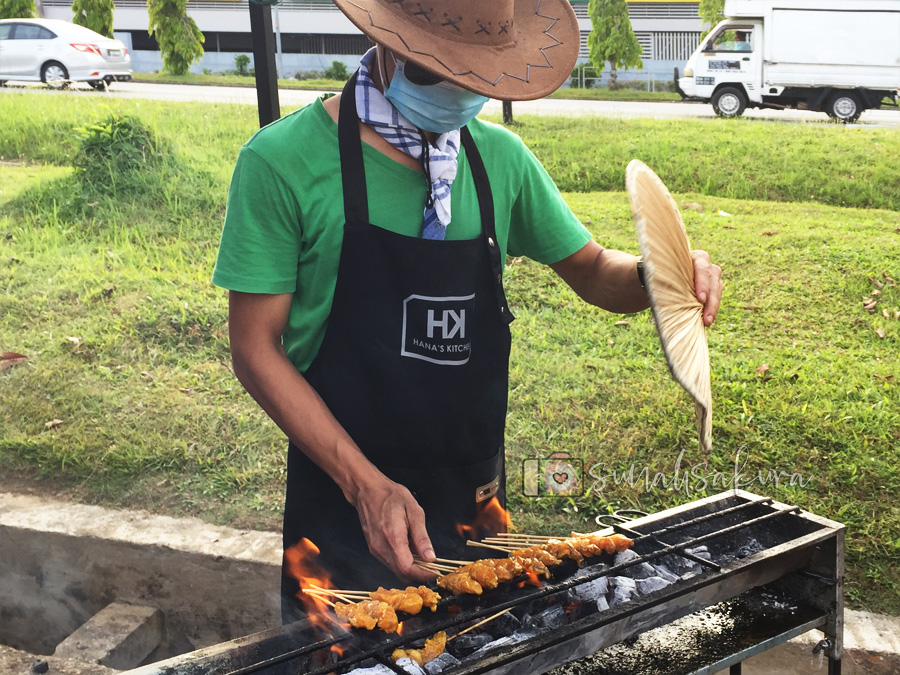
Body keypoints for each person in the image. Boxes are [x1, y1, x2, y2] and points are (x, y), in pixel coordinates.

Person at [212, 0, 723, 620]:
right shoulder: (283, 162)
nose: (460, 89)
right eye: (442, 69)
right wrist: (365, 486)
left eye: (478, 74)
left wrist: (658, 274)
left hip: (473, 501)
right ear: (388, 45)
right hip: (341, 508)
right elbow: (254, 349)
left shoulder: (499, 160)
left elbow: (591, 271)